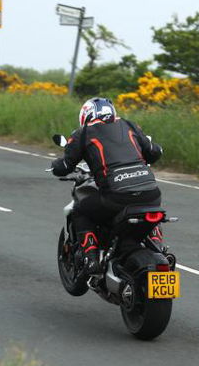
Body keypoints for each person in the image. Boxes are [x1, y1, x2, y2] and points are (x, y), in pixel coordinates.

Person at [51, 97, 164, 274]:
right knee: (147, 207)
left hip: (116, 196)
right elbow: (154, 153)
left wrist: (55, 166)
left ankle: (91, 258)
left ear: (86, 116)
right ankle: (157, 244)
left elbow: (65, 166)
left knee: (80, 210)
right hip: (152, 192)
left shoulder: (84, 132)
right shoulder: (129, 125)